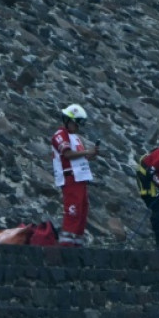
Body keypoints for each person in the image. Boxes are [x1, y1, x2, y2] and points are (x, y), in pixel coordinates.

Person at [51, 103, 98, 247]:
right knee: (73, 212)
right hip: (70, 178)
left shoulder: (75, 138)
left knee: (82, 213)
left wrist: (91, 154)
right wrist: (86, 152)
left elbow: (79, 157)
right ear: (69, 121)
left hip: (81, 178)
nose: (78, 127)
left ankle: (77, 244)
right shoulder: (60, 135)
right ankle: (66, 246)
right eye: (77, 124)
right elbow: (68, 154)